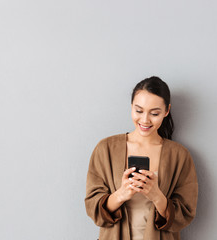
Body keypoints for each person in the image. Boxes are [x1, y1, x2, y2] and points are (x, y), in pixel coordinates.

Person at [85, 76, 198, 240]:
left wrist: (156, 195)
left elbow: (186, 213)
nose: (145, 120)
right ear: (131, 107)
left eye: (154, 113)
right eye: (139, 111)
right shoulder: (106, 149)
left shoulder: (180, 156)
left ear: (166, 111)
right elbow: (92, 207)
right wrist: (122, 194)